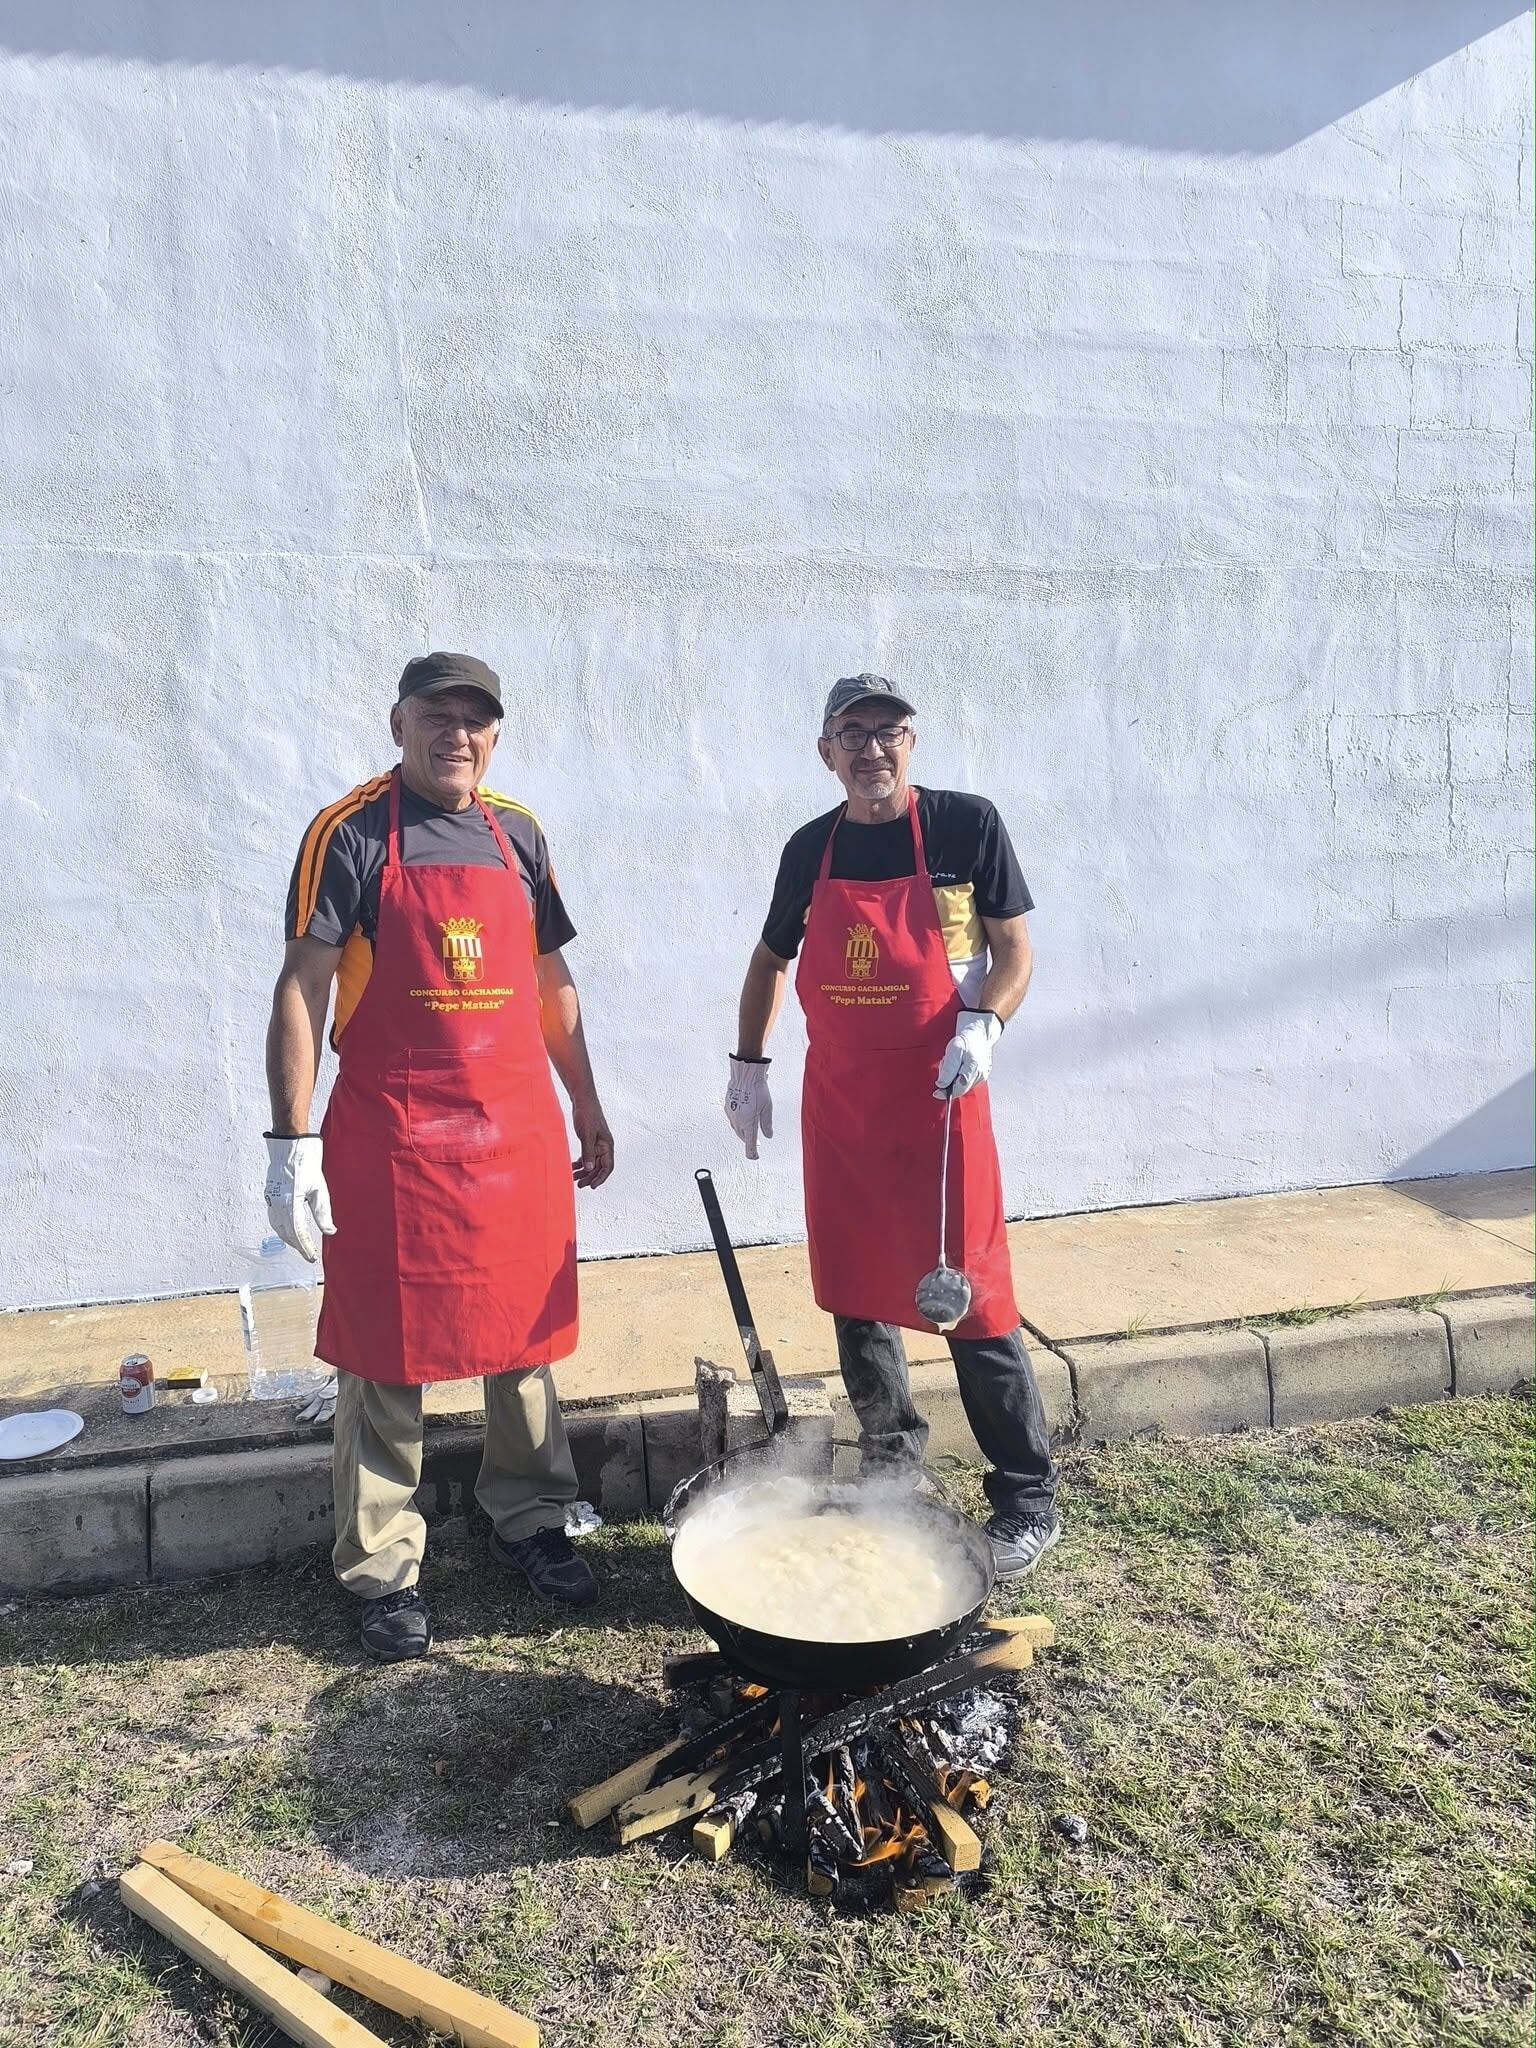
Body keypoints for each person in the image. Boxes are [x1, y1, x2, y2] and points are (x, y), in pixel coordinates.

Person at [264, 652, 614, 1661]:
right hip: (393, 1138)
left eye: (474, 718)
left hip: (512, 1133)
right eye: (436, 714)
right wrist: (289, 1144)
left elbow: (551, 978)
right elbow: (302, 985)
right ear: (398, 721)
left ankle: (532, 1518)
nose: (454, 733)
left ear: (494, 733)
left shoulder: (521, 834)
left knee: (523, 1341)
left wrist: (584, 1098)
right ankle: (380, 1567)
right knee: (384, 1350)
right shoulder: (349, 832)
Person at [725, 674, 1059, 1575]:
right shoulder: (811, 848)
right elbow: (769, 959)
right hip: (843, 1113)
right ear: (825, 750)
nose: (871, 747)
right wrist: (747, 1065)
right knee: (859, 1294)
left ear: (913, 740)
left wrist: (985, 1024)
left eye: (889, 730)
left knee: (977, 1298)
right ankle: (889, 1472)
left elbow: (1015, 948)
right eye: (852, 732)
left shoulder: (965, 825)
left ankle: (1026, 1496)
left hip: (944, 1103)